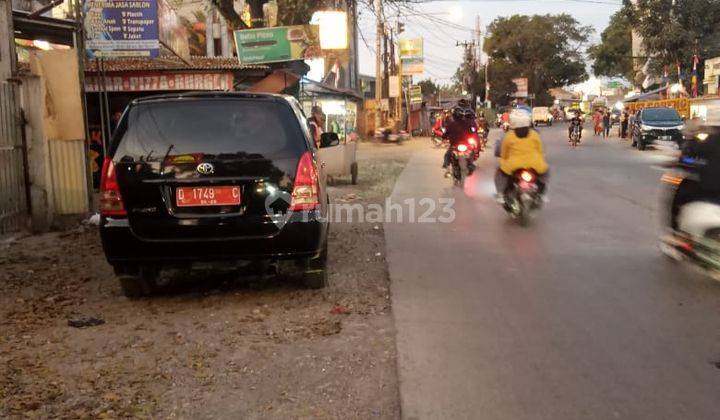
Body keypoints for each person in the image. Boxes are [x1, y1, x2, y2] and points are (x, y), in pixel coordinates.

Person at [495, 109, 549, 199]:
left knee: (500, 175)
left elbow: (503, 153)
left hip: (513, 166)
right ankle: (541, 194)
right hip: (535, 165)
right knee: (544, 175)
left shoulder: (509, 136)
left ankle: (502, 194)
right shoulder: (534, 134)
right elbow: (540, 151)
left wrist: (503, 160)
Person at [442, 103, 477, 172]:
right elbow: (472, 132)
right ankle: (470, 164)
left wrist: (444, 137)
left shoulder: (452, 124)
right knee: (471, 152)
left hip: (456, 144)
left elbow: (446, 134)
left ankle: (446, 165)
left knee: (448, 154)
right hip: (461, 144)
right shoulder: (466, 123)